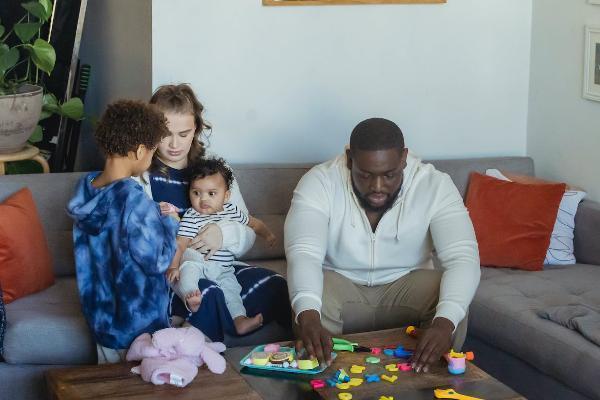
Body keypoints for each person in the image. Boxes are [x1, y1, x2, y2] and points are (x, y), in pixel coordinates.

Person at [285, 118, 480, 373]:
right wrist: (307, 316)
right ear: (349, 159)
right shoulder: (319, 181)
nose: (377, 187)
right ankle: (326, 379)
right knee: (308, 301)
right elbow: (304, 254)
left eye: (389, 175)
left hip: (406, 284)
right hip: (342, 285)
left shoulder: (435, 185)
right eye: (365, 175)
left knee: (454, 300)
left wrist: (445, 324)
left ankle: (430, 379)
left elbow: (463, 258)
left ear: (404, 159)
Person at [137, 83, 290, 341]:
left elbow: (248, 234)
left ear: (196, 128)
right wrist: (164, 227)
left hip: (222, 267)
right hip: (173, 272)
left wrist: (222, 234)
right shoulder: (141, 174)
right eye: (165, 134)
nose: (174, 144)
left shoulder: (216, 171)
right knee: (206, 294)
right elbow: (135, 239)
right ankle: (191, 347)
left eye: (184, 134)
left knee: (277, 286)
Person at [67, 100, 178, 363]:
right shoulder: (133, 199)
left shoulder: (86, 189)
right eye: (152, 153)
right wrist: (170, 222)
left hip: (102, 321)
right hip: (138, 324)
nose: (151, 159)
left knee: (111, 388)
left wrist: (150, 210)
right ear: (140, 151)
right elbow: (157, 260)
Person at [166, 157, 276, 335]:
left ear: (226, 196)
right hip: (198, 263)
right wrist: (173, 266)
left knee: (232, 292)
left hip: (224, 269)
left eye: (211, 193)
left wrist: (268, 234)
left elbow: (253, 224)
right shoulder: (192, 216)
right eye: (196, 193)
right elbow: (180, 243)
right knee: (188, 271)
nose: (203, 200)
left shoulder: (232, 211)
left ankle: (239, 321)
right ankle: (191, 298)